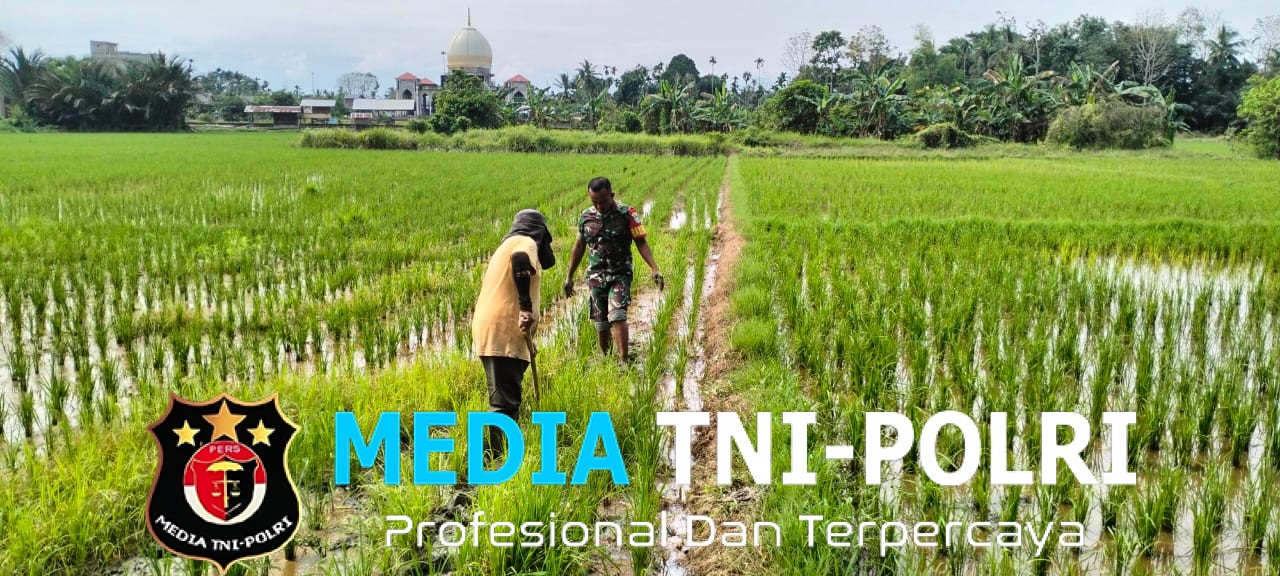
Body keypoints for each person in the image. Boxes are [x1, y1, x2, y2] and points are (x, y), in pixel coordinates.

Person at [472, 209, 555, 458]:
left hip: (499, 328)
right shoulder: (523, 243)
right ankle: (496, 460)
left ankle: (497, 454)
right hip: (503, 329)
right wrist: (526, 308)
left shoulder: (506, 244)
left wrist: (529, 340)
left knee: (506, 397)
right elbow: (521, 260)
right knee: (504, 405)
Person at [563, 177, 663, 363]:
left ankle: (624, 361)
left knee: (617, 314)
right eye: (595, 202)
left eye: (603, 201)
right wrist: (569, 276)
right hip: (595, 276)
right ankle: (608, 360)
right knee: (601, 323)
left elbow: (641, 242)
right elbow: (579, 247)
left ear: (612, 195)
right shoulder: (586, 217)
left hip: (620, 273)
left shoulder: (627, 214)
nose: (599, 206)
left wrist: (654, 268)